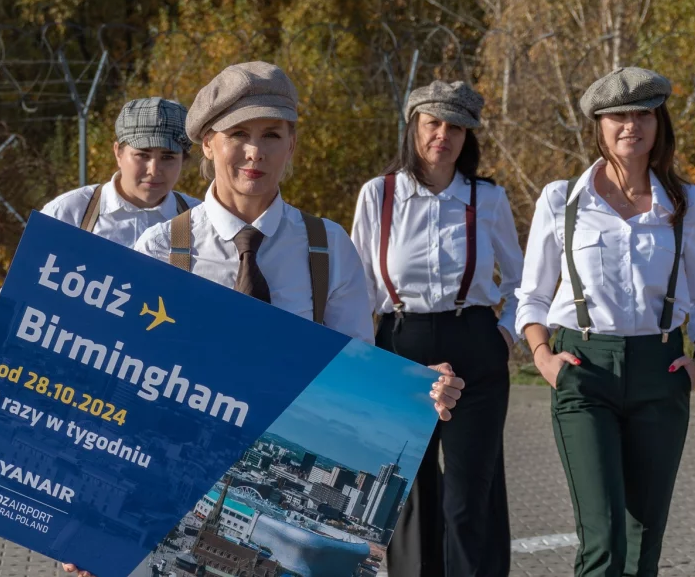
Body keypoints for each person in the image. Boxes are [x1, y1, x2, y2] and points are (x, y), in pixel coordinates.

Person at [62, 62, 467, 577]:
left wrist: (419, 390)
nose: (255, 152)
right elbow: (121, 390)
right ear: (207, 144)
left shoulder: (329, 248)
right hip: (173, 487)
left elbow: (360, 367)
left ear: (292, 145)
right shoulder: (161, 249)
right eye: (239, 135)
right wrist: (87, 520)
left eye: (271, 135)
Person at [516, 66, 695, 577]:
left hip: (662, 369)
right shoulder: (561, 200)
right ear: (599, 125)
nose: (630, 126)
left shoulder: (688, 204)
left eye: (643, 115)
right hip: (582, 368)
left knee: (643, 543)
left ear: (659, 125)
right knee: (604, 538)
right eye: (618, 117)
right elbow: (532, 295)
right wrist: (544, 359)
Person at [351, 80, 522, 577]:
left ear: (468, 136)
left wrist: (505, 335)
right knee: (409, 489)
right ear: (414, 127)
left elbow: (522, 279)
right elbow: (358, 287)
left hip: (474, 343)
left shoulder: (486, 198)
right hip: (400, 344)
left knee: (471, 492)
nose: (442, 135)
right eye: (432, 123)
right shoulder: (378, 195)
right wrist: (366, 358)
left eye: (455, 127)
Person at [42, 97, 199, 245]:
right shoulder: (68, 214)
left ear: (182, 159)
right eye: (142, 155)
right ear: (118, 153)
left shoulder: (200, 222)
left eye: (167, 157)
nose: (154, 170)